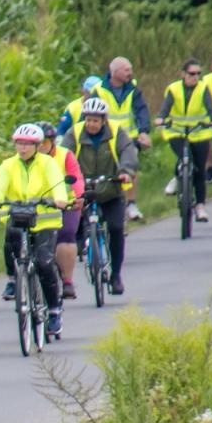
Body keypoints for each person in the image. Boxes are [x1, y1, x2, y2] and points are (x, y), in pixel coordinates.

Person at [0, 124, 70, 337]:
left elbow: (58, 185)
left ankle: (54, 311)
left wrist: (60, 199)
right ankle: (14, 279)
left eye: (27, 144)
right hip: (18, 218)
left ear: (37, 145)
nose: (22, 148)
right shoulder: (7, 166)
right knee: (9, 245)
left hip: (44, 222)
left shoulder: (47, 163)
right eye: (19, 143)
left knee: (43, 262)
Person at [61, 97, 136, 295]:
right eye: (88, 119)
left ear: (104, 120)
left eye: (95, 120)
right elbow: (64, 156)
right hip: (83, 191)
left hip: (111, 189)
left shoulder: (116, 131)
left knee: (116, 228)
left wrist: (125, 170)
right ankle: (85, 245)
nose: (91, 124)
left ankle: (116, 275)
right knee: (76, 226)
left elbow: (127, 151)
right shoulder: (74, 133)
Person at [155, 57, 212, 222]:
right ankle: (177, 178)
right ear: (183, 74)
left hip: (199, 132)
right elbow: (165, 108)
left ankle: (200, 206)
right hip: (178, 131)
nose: (195, 77)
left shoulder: (203, 88)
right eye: (191, 73)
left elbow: (210, 107)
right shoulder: (173, 89)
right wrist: (161, 119)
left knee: (199, 169)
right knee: (182, 157)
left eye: (198, 73)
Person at [96, 57, 151, 221]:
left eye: (130, 69)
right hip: (106, 138)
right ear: (114, 72)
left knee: (131, 167)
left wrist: (144, 131)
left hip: (129, 138)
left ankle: (131, 203)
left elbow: (141, 110)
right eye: (126, 70)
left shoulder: (133, 89)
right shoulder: (99, 90)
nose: (130, 73)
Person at [40, 120, 85, 301]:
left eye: (45, 142)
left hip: (67, 204)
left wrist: (77, 196)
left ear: (52, 142)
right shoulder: (28, 158)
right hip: (40, 205)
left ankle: (67, 281)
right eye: (38, 143)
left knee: (66, 234)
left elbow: (76, 179)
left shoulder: (65, 155)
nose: (41, 146)